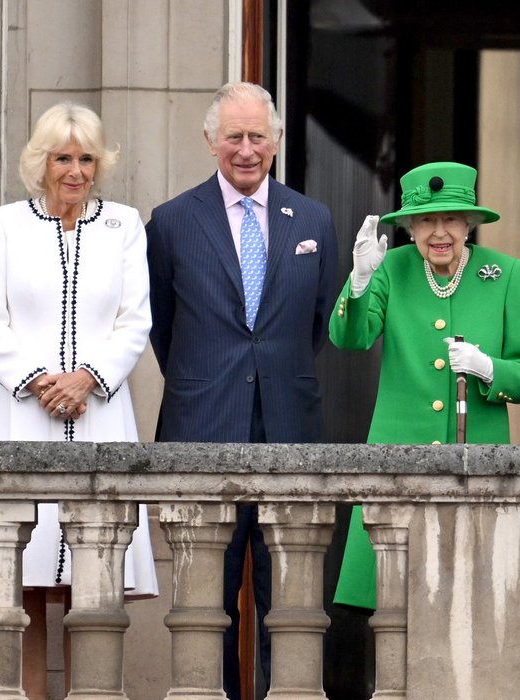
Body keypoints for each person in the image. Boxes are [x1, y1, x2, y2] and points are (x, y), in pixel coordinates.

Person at [0, 102, 159, 699]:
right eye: (63, 158)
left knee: (90, 579)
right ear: (41, 163)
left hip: (98, 412)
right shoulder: (6, 224)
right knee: (22, 576)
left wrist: (87, 378)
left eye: (86, 158)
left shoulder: (124, 225)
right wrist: (42, 382)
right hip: (19, 413)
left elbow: (135, 320)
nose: (75, 171)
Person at [145, 82, 338, 698]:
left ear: (276, 141)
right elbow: (161, 326)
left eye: (258, 136)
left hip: (289, 428)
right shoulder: (172, 222)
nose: (247, 149)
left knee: (289, 601)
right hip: (203, 427)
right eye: (234, 137)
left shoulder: (313, 219)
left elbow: (318, 323)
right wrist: (213, 379)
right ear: (211, 141)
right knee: (207, 606)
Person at [329, 161, 520, 610]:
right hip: (399, 460)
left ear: (469, 224)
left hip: (476, 466)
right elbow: (350, 338)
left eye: (450, 218)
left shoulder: (504, 273)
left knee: (473, 605)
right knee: (396, 604)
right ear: (410, 228)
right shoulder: (392, 268)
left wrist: (488, 368)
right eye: (426, 220)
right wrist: (360, 282)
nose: (439, 232)